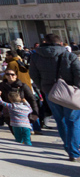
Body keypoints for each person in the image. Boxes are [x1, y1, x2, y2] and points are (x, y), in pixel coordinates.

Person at [29, 33, 80, 161]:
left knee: (60, 121)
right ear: (61, 43)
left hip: (50, 93)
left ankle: (69, 148)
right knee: (73, 121)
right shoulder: (69, 56)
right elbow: (78, 75)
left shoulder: (35, 57)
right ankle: (74, 152)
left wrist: (44, 87)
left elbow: (33, 75)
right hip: (70, 93)